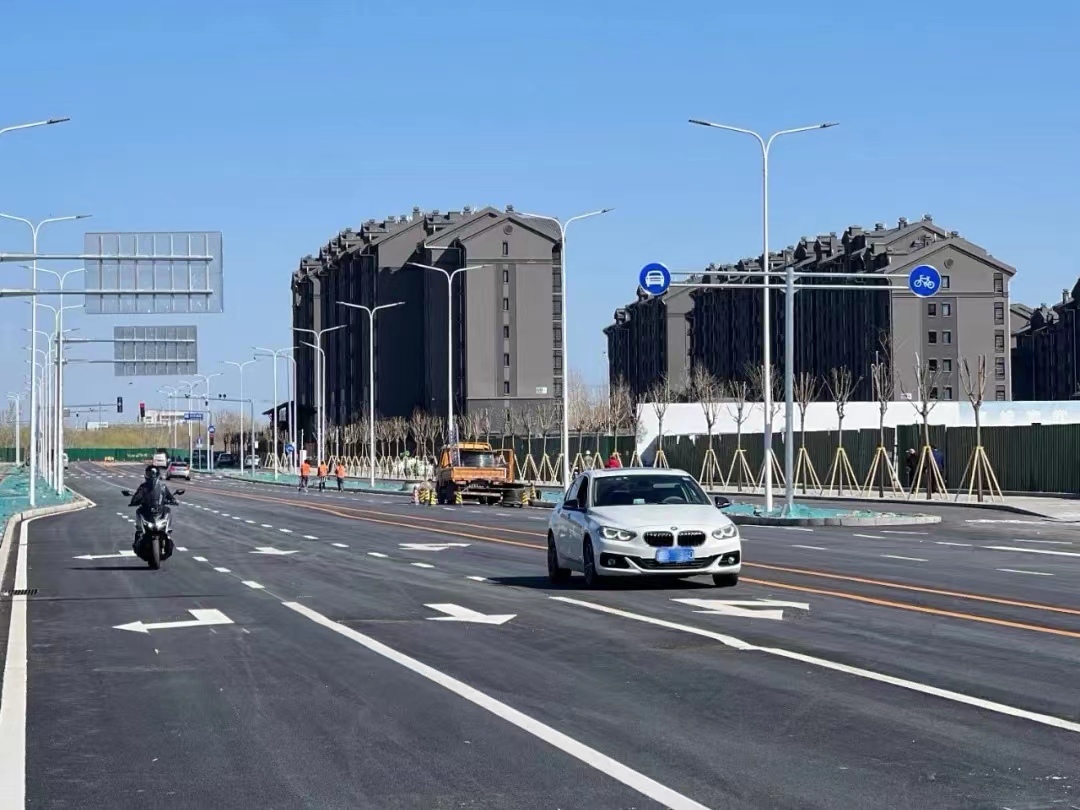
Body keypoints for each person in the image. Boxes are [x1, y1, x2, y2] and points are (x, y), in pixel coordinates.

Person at [129, 465, 178, 552]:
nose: (152, 476)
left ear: (157, 474)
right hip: (147, 511)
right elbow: (136, 497)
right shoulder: (143, 487)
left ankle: (167, 535)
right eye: (149, 474)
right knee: (139, 513)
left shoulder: (162, 487)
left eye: (153, 473)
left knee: (167, 510)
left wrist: (173, 500)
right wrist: (134, 501)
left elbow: (170, 496)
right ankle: (138, 540)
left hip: (159, 511)